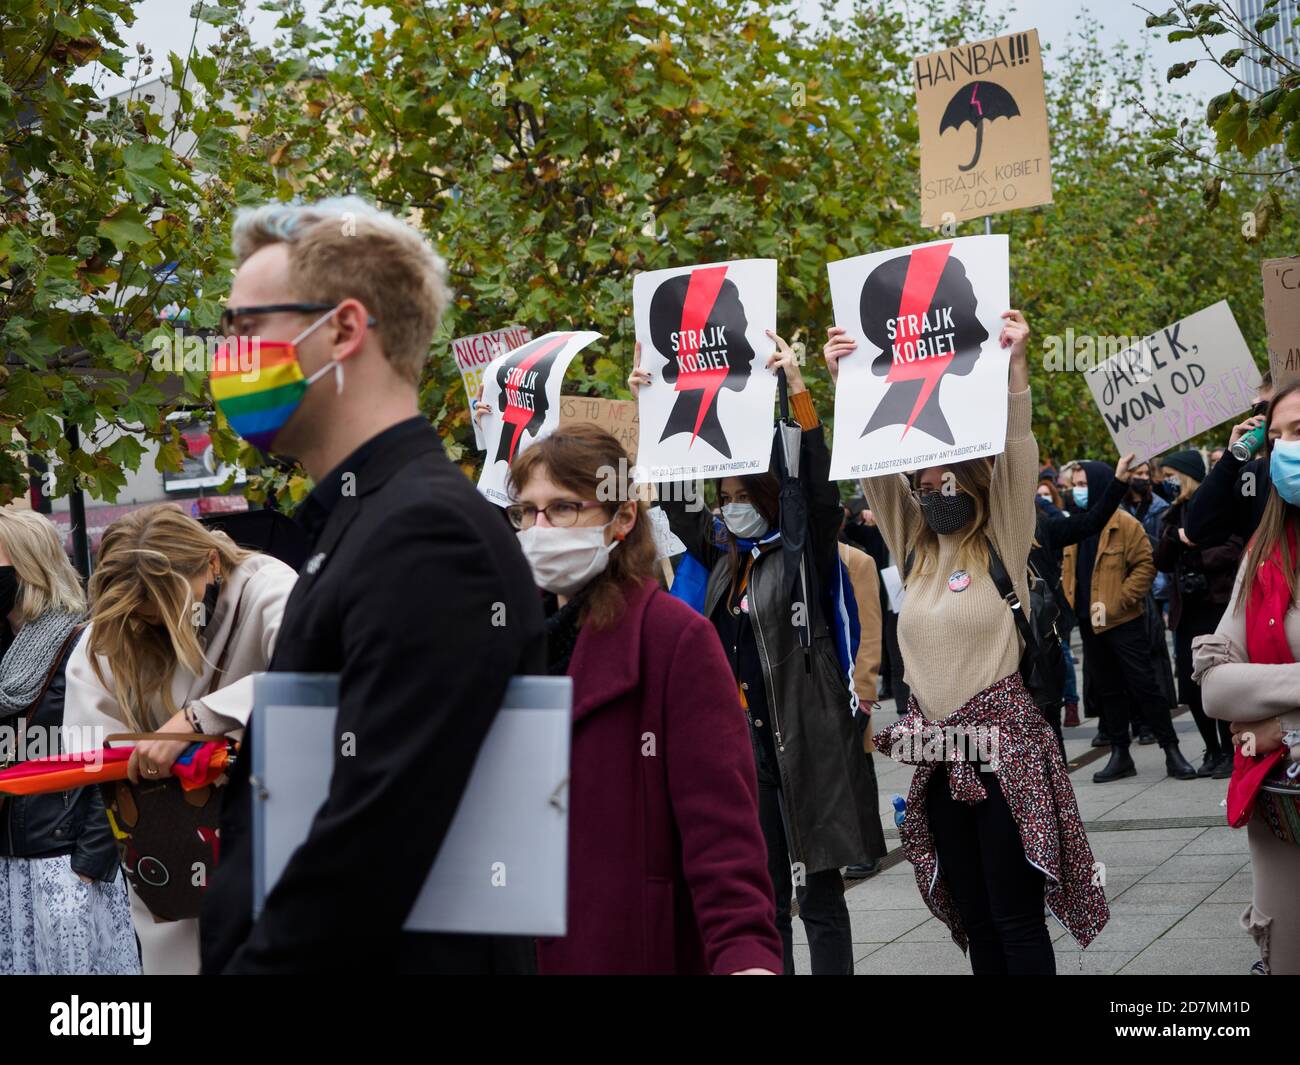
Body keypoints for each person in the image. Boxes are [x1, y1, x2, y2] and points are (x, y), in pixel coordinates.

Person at [198, 198, 545, 974]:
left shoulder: (426, 534)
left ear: (345, 330)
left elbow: (371, 844)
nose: (227, 354)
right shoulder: (368, 522)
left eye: (244, 327)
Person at [824, 312, 1108, 975]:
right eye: (919, 483)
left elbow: (1016, 453)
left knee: (1014, 916)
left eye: (942, 477)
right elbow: (873, 469)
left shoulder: (1000, 538)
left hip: (1005, 757)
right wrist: (846, 383)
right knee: (975, 919)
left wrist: (1015, 369)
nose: (929, 490)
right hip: (935, 753)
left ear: (971, 475)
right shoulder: (914, 546)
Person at [637, 335, 881, 976]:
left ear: (767, 498)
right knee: (766, 900)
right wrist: (654, 410)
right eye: (722, 499)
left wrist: (795, 388)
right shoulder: (725, 559)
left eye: (739, 496)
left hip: (807, 744)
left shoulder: (802, 556)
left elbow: (817, 489)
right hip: (747, 751)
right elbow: (674, 501)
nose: (728, 508)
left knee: (820, 900)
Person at [505, 425, 781, 975]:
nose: (540, 529)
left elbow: (723, 839)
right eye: (526, 513)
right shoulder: (503, 643)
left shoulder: (674, 639)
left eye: (562, 508)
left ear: (623, 519)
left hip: (626, 948)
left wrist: (745, 957)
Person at [61, 503, 294, 974]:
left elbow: (319, 675)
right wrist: (128, 758)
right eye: (148, 619)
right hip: (169, 852)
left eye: (173, 609)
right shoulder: (117, 628)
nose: (163, 628)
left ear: (210, 562)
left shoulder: (267, 588)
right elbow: (88, 736)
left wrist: (198, 719)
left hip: (274, 835)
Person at [0, 509, 137, 975]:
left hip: (67, 866)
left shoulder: (88, 642)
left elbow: (118, 752)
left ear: (27, 567)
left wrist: (91, 860)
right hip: (11, 861)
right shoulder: (3, 649)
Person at [1193, 380, 1300, 974]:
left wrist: (1279, 723)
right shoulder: (1267, 551)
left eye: (1299, 431)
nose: (1286, 449)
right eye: (1278, 437)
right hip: (1285, 815)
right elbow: (1216, 689)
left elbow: (1249, 691)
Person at [1062, 462, 1197, 783]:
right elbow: (1069, 570)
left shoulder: (1124, 523)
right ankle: (1120, 754)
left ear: (1099, 484)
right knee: (1108, 690)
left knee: (1145, 686)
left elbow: (1145, 566)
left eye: (1083, 483)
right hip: (1087, 620)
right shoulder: (1077, 526)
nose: (1077, 490)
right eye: (1074, 483)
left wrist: (1120, 600)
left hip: (1123, 620)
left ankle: (1171, 749)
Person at [1153, 450, 1244, 778]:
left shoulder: (1219, 503)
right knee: (1192, 686)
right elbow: (1160, 561)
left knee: (1219, 677)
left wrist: (1198, 549)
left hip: (1215, 606)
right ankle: (1213, 750)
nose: (1168, 481)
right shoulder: (1173, 513)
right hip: (1185, 610)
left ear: (1188, 475)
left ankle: (1231, 749)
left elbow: (1234, 547)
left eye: (1172, 474)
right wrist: (1174, 538)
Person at [1032, 452, 1136, 734]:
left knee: (1048, 710)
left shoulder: (1041, 526)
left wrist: (1118, 481)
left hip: (1040, 633)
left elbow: (1091, 521)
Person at [837, 530, 887, 878]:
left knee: (857, 766)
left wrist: (865, 686)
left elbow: (869, 627)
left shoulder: (856, 560)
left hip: (849, 680)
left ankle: (867, 846)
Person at [1120, 460, 1178, 742]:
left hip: (1154, 589)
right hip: (1128, 592)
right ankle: (1139, 721)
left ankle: (1157, 723)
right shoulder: (1117, 509)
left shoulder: (1160, 508)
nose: (1143, 478)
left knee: (1153, 656)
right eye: (1137, 474)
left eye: (1146, 474)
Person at [1184, 373, 1274, 546]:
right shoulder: (1254, 474)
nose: (1265, 419)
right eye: (1260, 409)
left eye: (1271, 409)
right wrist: (1231, 460)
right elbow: (1199, 530)